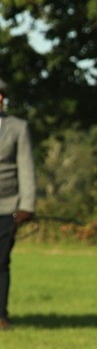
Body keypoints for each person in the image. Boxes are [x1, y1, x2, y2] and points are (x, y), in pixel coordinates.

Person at [0, 77, 37, 331]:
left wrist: (27, 205)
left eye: (1, 95)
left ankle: (0, 314)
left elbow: (26, 166)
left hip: (7, 206)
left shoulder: (17, 127)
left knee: (1, 261)